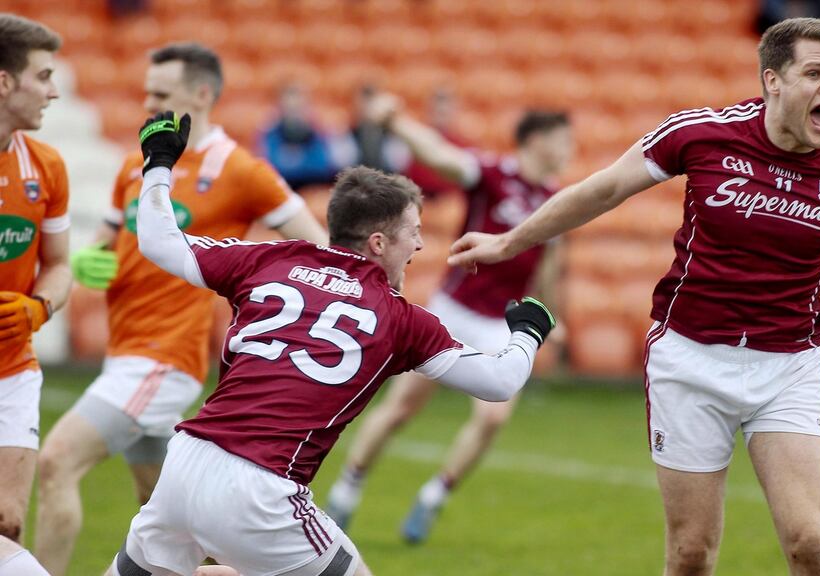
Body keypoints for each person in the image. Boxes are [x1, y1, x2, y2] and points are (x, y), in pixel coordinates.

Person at [447, 17, 820, 576]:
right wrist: (511, 241)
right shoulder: (700, 133)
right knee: (691, 555)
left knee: (810, 543)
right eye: (816, 73)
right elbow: (605, 187)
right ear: (773, 81)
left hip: (789, 367)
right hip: (690, 360)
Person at [105, 111, 555, 576]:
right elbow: (500, 382)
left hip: (186, 464)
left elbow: (159, 240)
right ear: (378, 243)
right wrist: (529, 331)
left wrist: (158, 163)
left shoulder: (269, 258)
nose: (419, 246)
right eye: (413, 233)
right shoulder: (398, 317)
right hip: (264, 490)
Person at [34, 43, 329, 575]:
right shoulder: (136, 163)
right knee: (177, 522)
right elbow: (103, 245)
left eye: (161, 94)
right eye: (146, 91)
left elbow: (317, 248)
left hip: (166, 356)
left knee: (56, 461)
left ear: (201, 94)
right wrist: (87, 264)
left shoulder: (242, 171)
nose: (147, 102)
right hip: (125, 349)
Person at [325, 95, 572, 543]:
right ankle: (347, 489)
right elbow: (441, 157)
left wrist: (552, 312)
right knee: (402, 408)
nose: (568, 148)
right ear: (535, 140)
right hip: (453, 311)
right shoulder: (494, 173)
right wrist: (397, 121)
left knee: (494, 418)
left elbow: (550, 263)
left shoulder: (555, 199)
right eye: (561, 139)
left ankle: (433, 496)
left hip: (501, 320)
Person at [0, 13, 70, 545]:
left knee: (7, 525)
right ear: (5, 82)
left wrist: (39, 307)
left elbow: (60, 264)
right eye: (43, 77)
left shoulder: (46, 166)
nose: (53, 92)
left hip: (13, 369)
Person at [259, 83, 337, 191]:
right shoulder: (270, 132)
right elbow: (270, 167)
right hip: (281, 189)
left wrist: (291, 160)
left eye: (297, 108)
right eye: (289, 108)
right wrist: (303, 160)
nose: (293, 113)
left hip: (312, 188)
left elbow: (322, 165)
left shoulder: (316, 131)